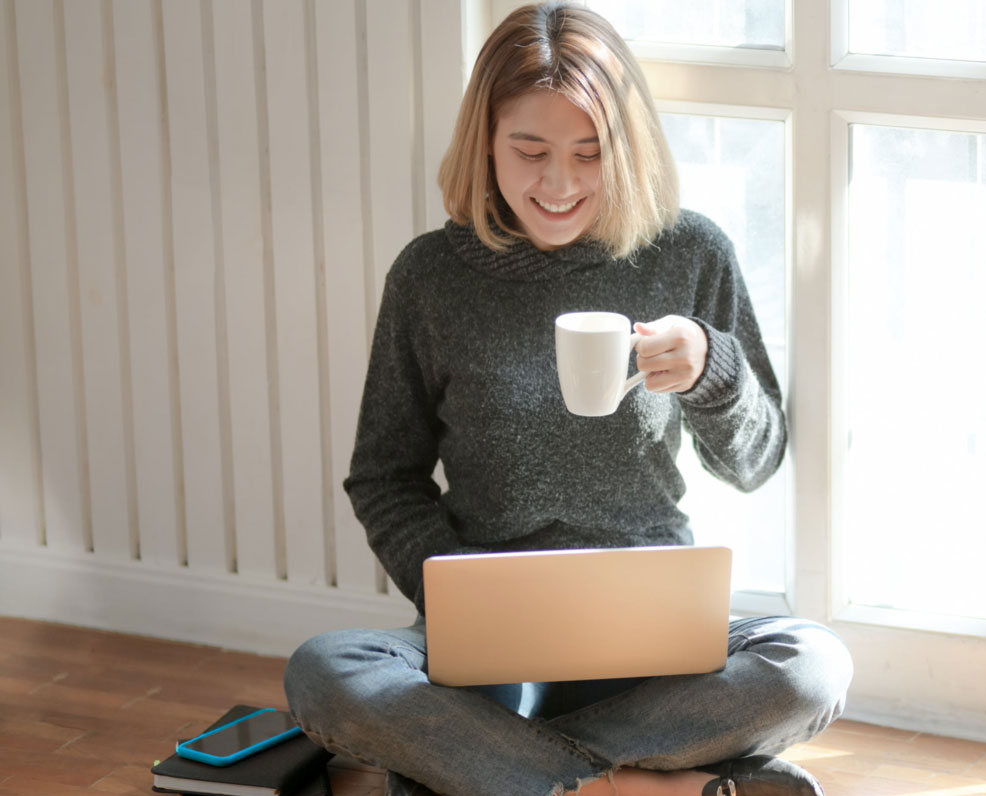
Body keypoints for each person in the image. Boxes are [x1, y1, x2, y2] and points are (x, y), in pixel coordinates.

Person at [281, 3, 852, 795]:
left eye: (590, 153)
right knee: (325, 671)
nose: (560, 183)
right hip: (491, 643)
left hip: (655, 631)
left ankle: (498, 770)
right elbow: (383, 477)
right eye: (531, 150)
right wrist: (460, 594)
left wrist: (712, 372)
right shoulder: (431, 277)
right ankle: (652, 783)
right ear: (486, 141)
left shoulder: (690, 253)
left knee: (812, 664)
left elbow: (756, 461)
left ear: (628, 147)